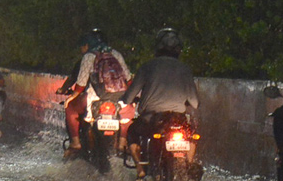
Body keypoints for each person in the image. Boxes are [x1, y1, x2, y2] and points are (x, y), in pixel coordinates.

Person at [119, 28, 197, 162]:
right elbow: (195, 103)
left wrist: (125, 100)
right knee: (192, 134)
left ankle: (140, 170)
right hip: (178, 119)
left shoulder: (147, 67)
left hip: (151, 119)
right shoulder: (185, 69)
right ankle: (190, 163)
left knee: (132, 131)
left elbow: (129, 97)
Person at [62, 30, 131, 160]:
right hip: (118, 98)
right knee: (129, 114)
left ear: (87, 45)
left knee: (70, 108)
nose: (82, 49)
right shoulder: (116, 54)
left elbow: (81, 83)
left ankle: (76, 143)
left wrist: (72, 97)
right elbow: (128, 77)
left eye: (83, 46)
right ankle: (122, 143)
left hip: (94, 98)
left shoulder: (88, 57)